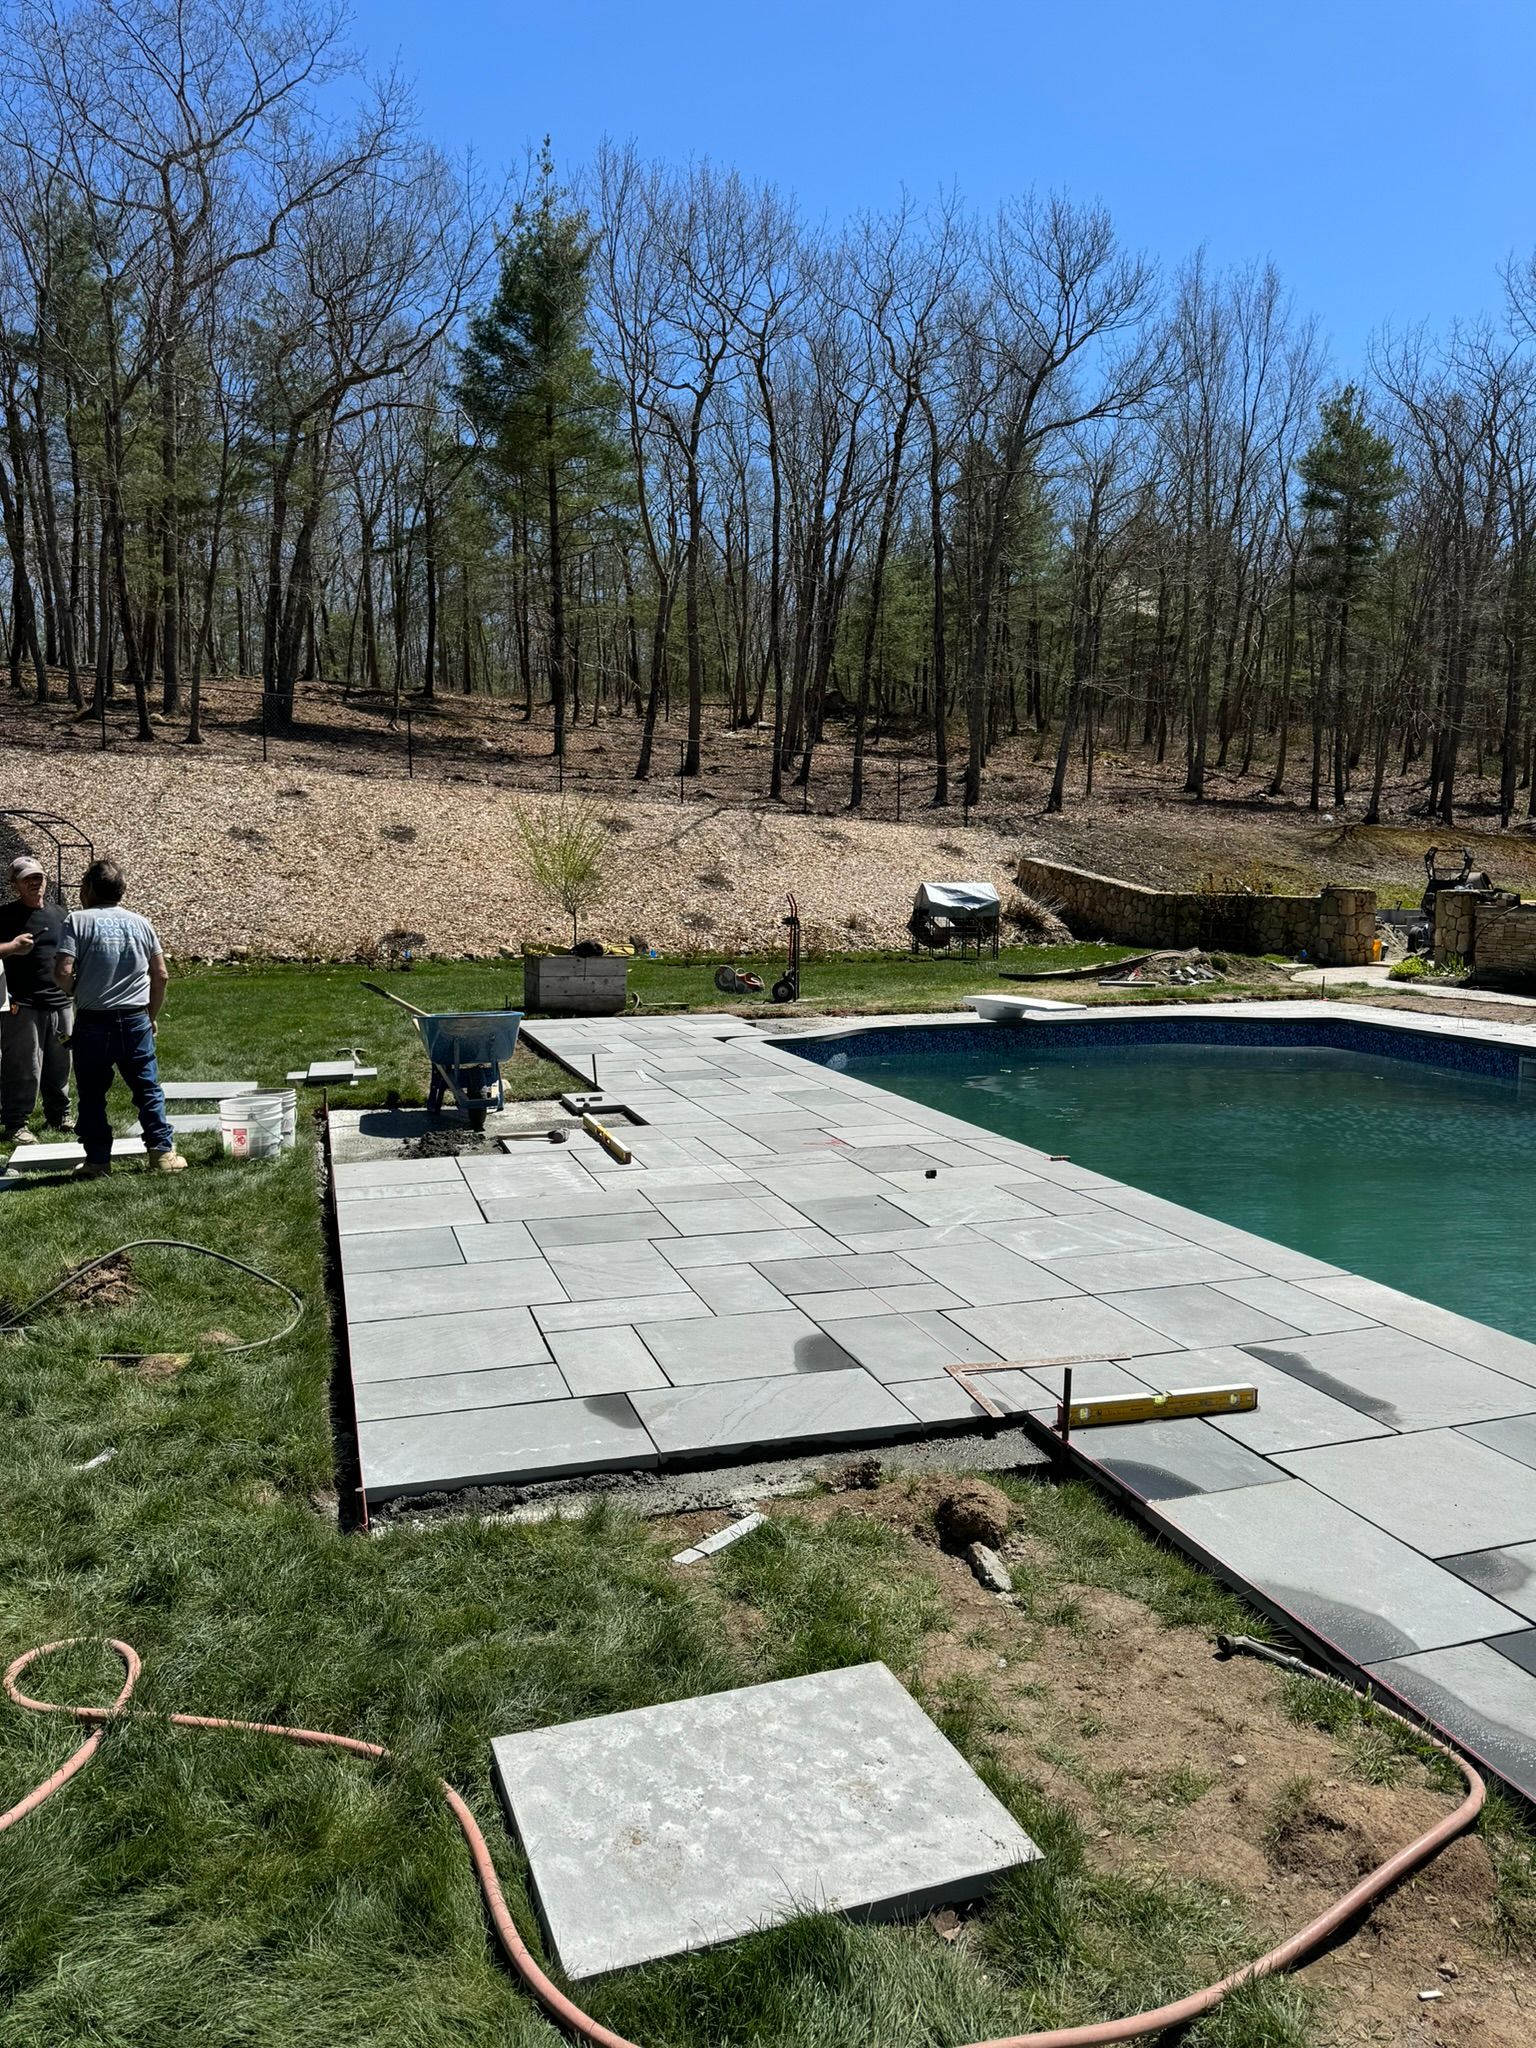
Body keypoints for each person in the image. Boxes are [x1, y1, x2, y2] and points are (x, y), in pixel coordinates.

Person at [55, 858, 186, 1179]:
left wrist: (77, 989)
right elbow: (161, 976)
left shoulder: (77, 921)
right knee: (147, 1088)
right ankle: (162, 1153)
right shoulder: (142, 923)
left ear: (88, 889)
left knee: (92, 1093)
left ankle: (98, 1161)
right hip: (135, 1020)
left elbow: (62, 972)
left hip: (93, 1021)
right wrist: (150, 1016)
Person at [0, 855, 74, 1145]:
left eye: (38, 877)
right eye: (27, 878)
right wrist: (12, 947)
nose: (34, 883)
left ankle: (60, 1115)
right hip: (23, 1005)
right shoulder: (4, 916)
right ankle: (16, 1123)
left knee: (60, 1064)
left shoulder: (60, 915)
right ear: (15, 884)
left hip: (60, 1004)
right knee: (24, 1068)